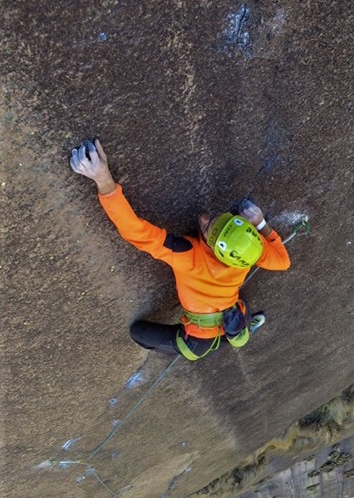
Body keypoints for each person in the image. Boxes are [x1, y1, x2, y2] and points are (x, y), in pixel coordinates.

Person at [70, 139, 291, 361]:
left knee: (137, 333)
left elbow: (136, 232)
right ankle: (243, 330)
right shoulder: (250, 251)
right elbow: (283, 262)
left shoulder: (187, 254)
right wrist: (262, 224)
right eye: (218, 218)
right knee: (236, 331)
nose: (204, 217)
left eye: (206, 227)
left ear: (216, 248)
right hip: (233, 317)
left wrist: (103, 179)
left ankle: (237, 332)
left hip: (197, 340)